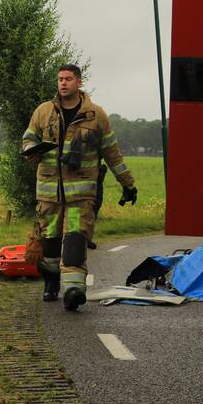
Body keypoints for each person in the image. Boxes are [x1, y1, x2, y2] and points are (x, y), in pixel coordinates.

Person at [22, 64, 138, 311]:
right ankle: (51, 282)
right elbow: (28, 139)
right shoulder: (43, 112)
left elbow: (112, 153)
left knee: (75, 240)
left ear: (79, 82)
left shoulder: (96, 116)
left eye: (68, 79)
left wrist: (128, 184)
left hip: (81, 195)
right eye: (60, 79)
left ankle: (74, 290)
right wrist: (30, 151)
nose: (63, 83)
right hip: (48, 194)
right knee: (50, 243)